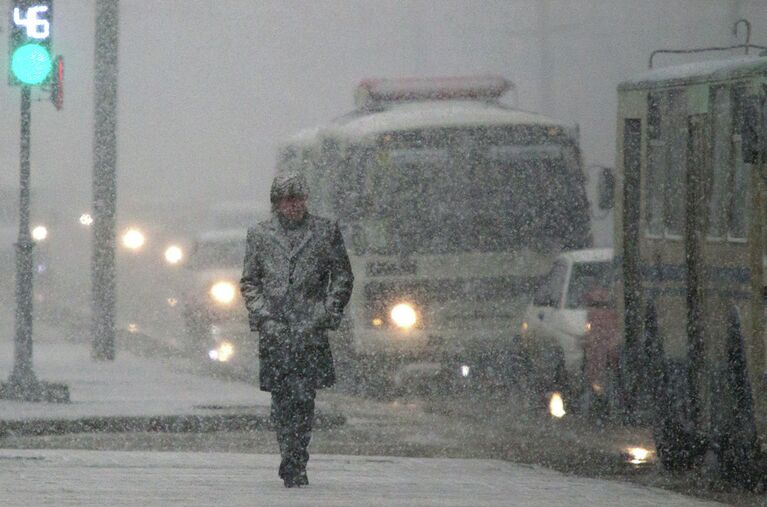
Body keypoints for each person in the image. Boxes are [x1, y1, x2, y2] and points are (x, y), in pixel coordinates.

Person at [240, 173, 354, 488]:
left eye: (299, 199)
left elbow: (342, 276)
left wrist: (327, 311)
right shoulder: (260, 235)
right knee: (282, 400)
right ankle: (288, 451)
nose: (295, 205)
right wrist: (264, 315)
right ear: (277, 203)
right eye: (289, 200)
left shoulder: (325, 232)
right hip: (276, 331)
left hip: (310, 330)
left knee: (304, 399)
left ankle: (296, 458)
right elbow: (250, 281)